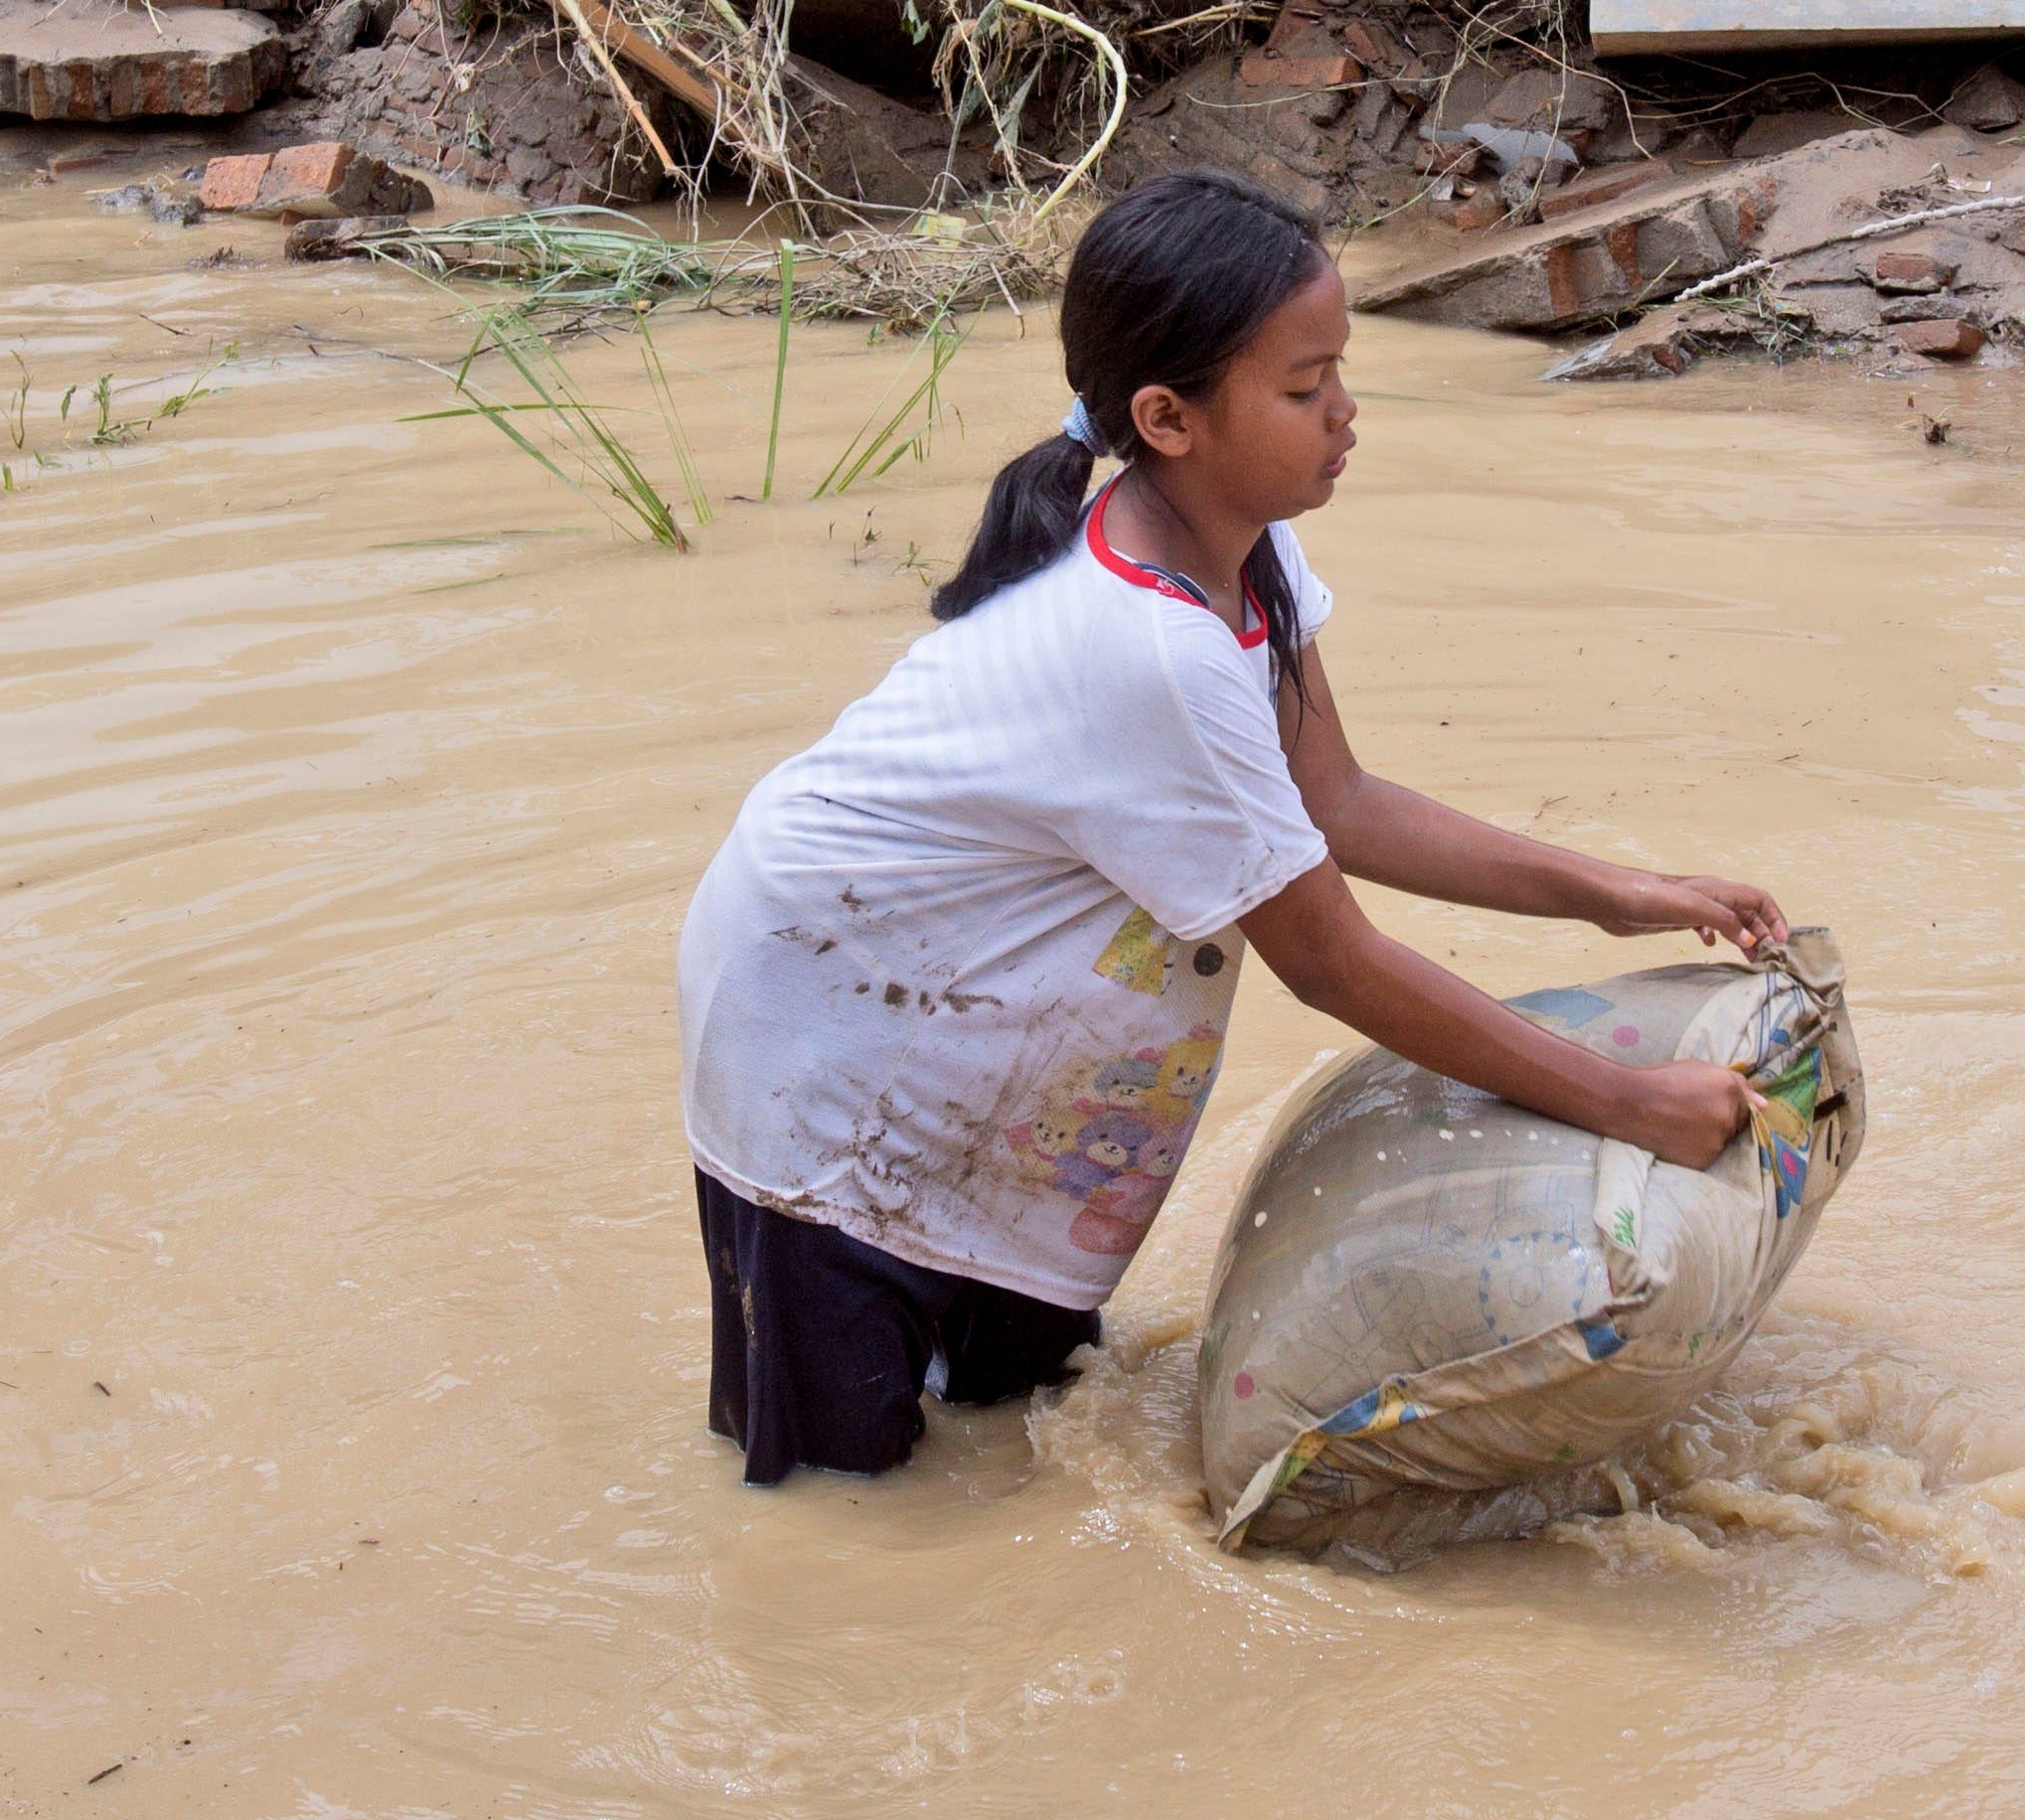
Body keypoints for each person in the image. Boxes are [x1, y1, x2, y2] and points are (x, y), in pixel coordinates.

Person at [678, 167, 1791, 1485]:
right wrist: (1623, 1099)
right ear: (1167, 418)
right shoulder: (1151, 650)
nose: (1345, 414)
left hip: (959, 1012)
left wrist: (1619, 890)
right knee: (833, 1506)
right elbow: (1328, 959)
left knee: (1015, 1421)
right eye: (1302, 386)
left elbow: (1341, 806)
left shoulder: (1242, 552)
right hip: (829, 1048)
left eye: (1339, 373)